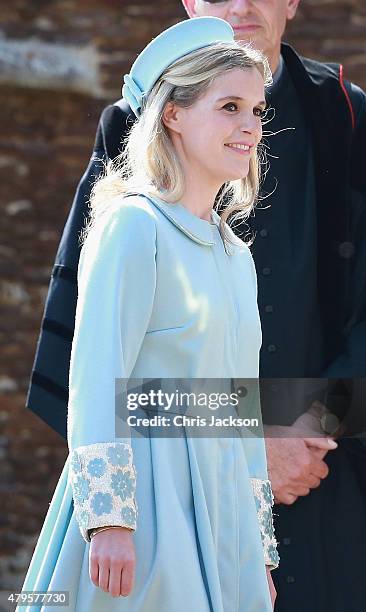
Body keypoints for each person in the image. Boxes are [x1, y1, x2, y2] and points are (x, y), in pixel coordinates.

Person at [26, 2, 366, 611]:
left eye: (256, 111)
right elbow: (97, 377)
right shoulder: (131, 224)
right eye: (229, 108)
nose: (251, 127)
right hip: (153, 506)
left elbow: (232, 393)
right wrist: (110, 521)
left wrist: (260, 535)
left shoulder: (232, 251)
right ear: (174, 116)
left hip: (250, 502)